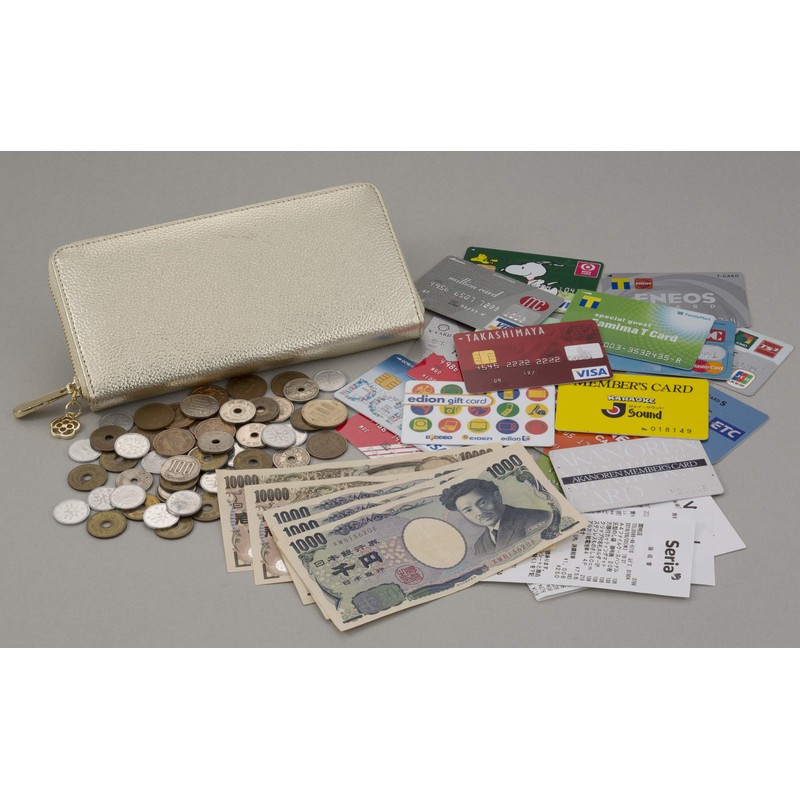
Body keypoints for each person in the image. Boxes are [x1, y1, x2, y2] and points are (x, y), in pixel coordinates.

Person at [440, 478, 553, 557]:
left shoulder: (538, 518)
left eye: (483, 502)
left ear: (497, 497)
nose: (480, 512)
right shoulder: (480, 546)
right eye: (468, 510)